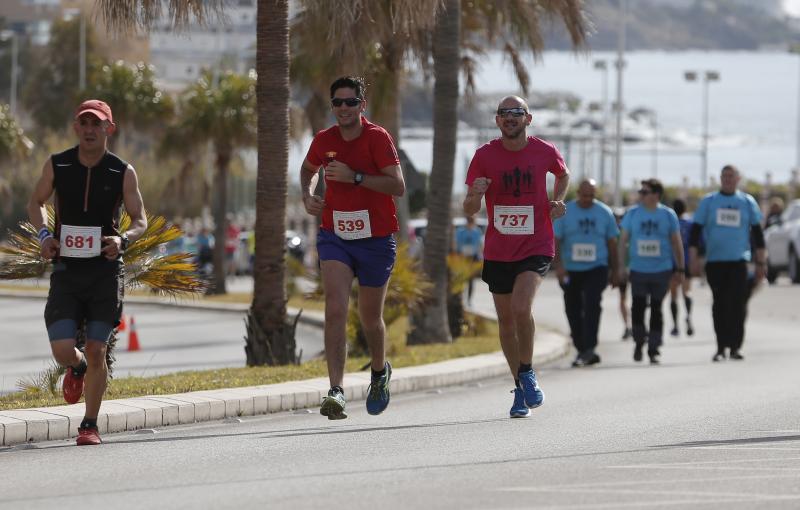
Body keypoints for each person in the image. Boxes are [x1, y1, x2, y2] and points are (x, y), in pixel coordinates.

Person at [26, 99, 147, 446]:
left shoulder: (122, 171)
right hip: (66, 271)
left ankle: (89, 425)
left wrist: (122, 240)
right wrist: (45, 235)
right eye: (85, 123)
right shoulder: (58, 164)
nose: (90, 129)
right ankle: (75, 367)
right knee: (64, 349)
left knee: (97, 349)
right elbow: (35, 202)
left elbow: (140, 219)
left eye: (97, 124)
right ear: (76, 128)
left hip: (105, 273)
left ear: (110, 128)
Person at [300, 76, 405, 420]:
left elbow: (398, 186)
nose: (343, 109)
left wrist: (355, 177)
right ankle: (336, 390)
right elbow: (307, 169)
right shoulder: (323, 139)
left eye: (350, 102)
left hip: (376, 240)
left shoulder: (377, 138)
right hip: (336, 236)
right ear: (332, 107)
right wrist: (308, 193)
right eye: (337, 103)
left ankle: (379, 372)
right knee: (335, 309)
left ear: (362, 104)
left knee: (370, 318)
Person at [463, 95, 569, 418]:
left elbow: (562, 174)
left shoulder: (544, 151)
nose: (510, 117)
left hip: (535, 244)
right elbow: (467, 209)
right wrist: (476, 195)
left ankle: (527, 372)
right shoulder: (484, 156)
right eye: (503, 113)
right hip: (498, 249)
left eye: (516, 113)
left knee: (522, 307)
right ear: (496, 120)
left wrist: (557, 200)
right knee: (506, 322)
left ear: (528, 118)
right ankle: (520, 387)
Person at [689, 165, 766, 362]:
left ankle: (735, 346)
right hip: (715, 261)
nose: (728, 179)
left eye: (731, 176)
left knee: (738, 303)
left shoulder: (747, 202)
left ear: (738, 179)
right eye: (724, 176)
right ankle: (721, 346)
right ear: (720, 179)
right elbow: (695, 231)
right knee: (720, 303)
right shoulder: (709, 201)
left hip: (739, 260)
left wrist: (761, 262)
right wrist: (693, 259)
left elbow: (758, 234)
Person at [617, 179, 684, 365]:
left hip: (661, 270)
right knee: (637, 307)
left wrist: (680, 267)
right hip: (638, 270)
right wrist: (621, 266)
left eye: (645, 192)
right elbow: (623, 241)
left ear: (656, 195)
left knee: (656, 309)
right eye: (641, 191)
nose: (641, 195)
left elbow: (676, 242)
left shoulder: (668, 215)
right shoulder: (632, 214)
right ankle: (639, 341)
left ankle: (654, 348)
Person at [553, 179, 619, 367]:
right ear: (578, 193)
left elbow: (612, 243)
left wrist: (616, 269)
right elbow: (556, 240)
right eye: (584, 195)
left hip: (596, 267)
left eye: (591, 195)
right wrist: (559, 266)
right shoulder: (566, 212)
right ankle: (582, 348)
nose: (587, 199)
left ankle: (590, 347)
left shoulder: (605, 213)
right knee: (572, 308)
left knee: (592, 304)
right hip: (571, 269)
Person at [668, 199, 694, 337]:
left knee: (673, 295)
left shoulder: (671, 223)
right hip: (686, 262)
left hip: (672, 262)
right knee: (687, 292)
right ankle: (688, 316)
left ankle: (675, 325)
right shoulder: (689, 223)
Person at [454, 215, 483, 305]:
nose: (471, 224)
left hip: (473, 258)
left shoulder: (477, 232)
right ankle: (460, 299)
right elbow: (456, 244)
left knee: (471, 280)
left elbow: (479, 245)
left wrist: (480, 256)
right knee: (461, 279)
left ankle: (469, 300)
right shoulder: (460, 232)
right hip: (462, 258)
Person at [614, 208, 633, 340]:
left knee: (625, 299)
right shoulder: (615, 232)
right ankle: (628, 326)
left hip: (634, 268)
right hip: (624, 269)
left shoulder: (617, 231)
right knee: (623, 299)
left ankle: (630, 326)